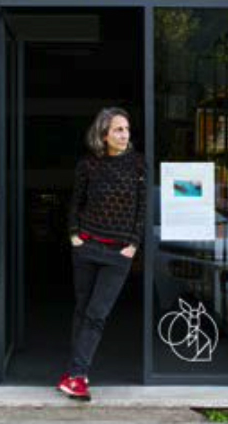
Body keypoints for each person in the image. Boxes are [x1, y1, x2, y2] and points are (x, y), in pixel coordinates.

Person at [56, 107, 146, 401]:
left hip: (119, 253)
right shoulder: (88, 165)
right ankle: (75, 374)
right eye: (118, 129)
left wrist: (132, 245)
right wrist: (75, 237)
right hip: (88, 247)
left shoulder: (138, 165)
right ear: (103, 134)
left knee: (97, 314)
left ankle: (77, 375)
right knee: (83, 311)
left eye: (126, 129)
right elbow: (75, 203)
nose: (124, 134)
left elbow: (142, 208)